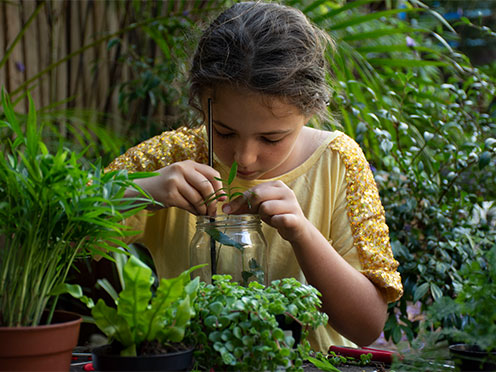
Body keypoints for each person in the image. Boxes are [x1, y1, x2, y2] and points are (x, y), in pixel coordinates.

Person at [106, 1, 403, 352]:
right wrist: (143, 190)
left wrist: (303, 233)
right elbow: (58, 229)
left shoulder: (336, 163)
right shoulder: (173, 158)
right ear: (201, 103)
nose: (245, 158)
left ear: (309, 111)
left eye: (271, 138)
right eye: (224, 132)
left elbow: (366, 327)